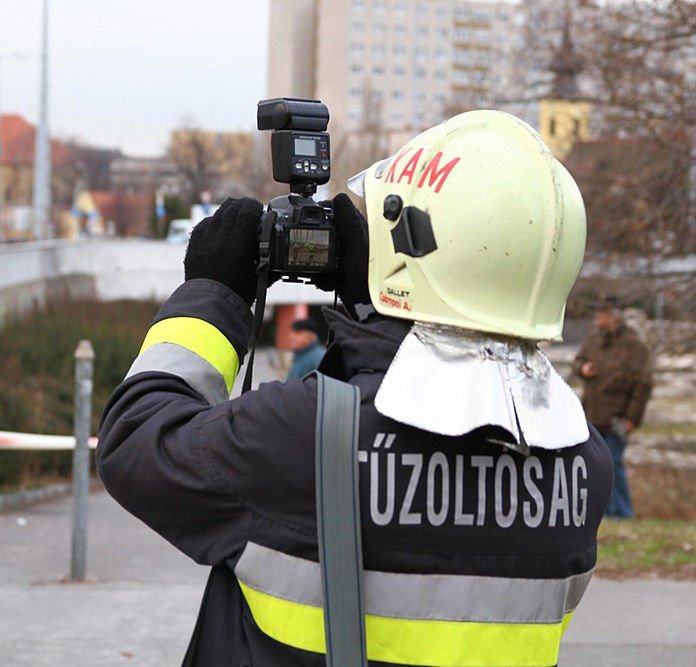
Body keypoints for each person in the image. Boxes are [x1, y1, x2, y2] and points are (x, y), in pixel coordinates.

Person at [97, 110, 612, 666]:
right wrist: (378, 312)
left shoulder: (299, 438)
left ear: (407, 242)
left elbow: (136, 441)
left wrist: (211, 294)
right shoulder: (582, 463)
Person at [573, 296, 653, 519]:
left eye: (603, 313)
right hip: (592, 414)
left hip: (618, 416)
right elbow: (577, 363)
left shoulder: (633, 345)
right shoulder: (592, 340)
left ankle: (623, 512)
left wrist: (632, 418)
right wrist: (583, 369)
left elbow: (643, 384)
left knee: (613, 463)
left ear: (614, 316)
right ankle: (605, 512)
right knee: (596, 465)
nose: (598, 317)